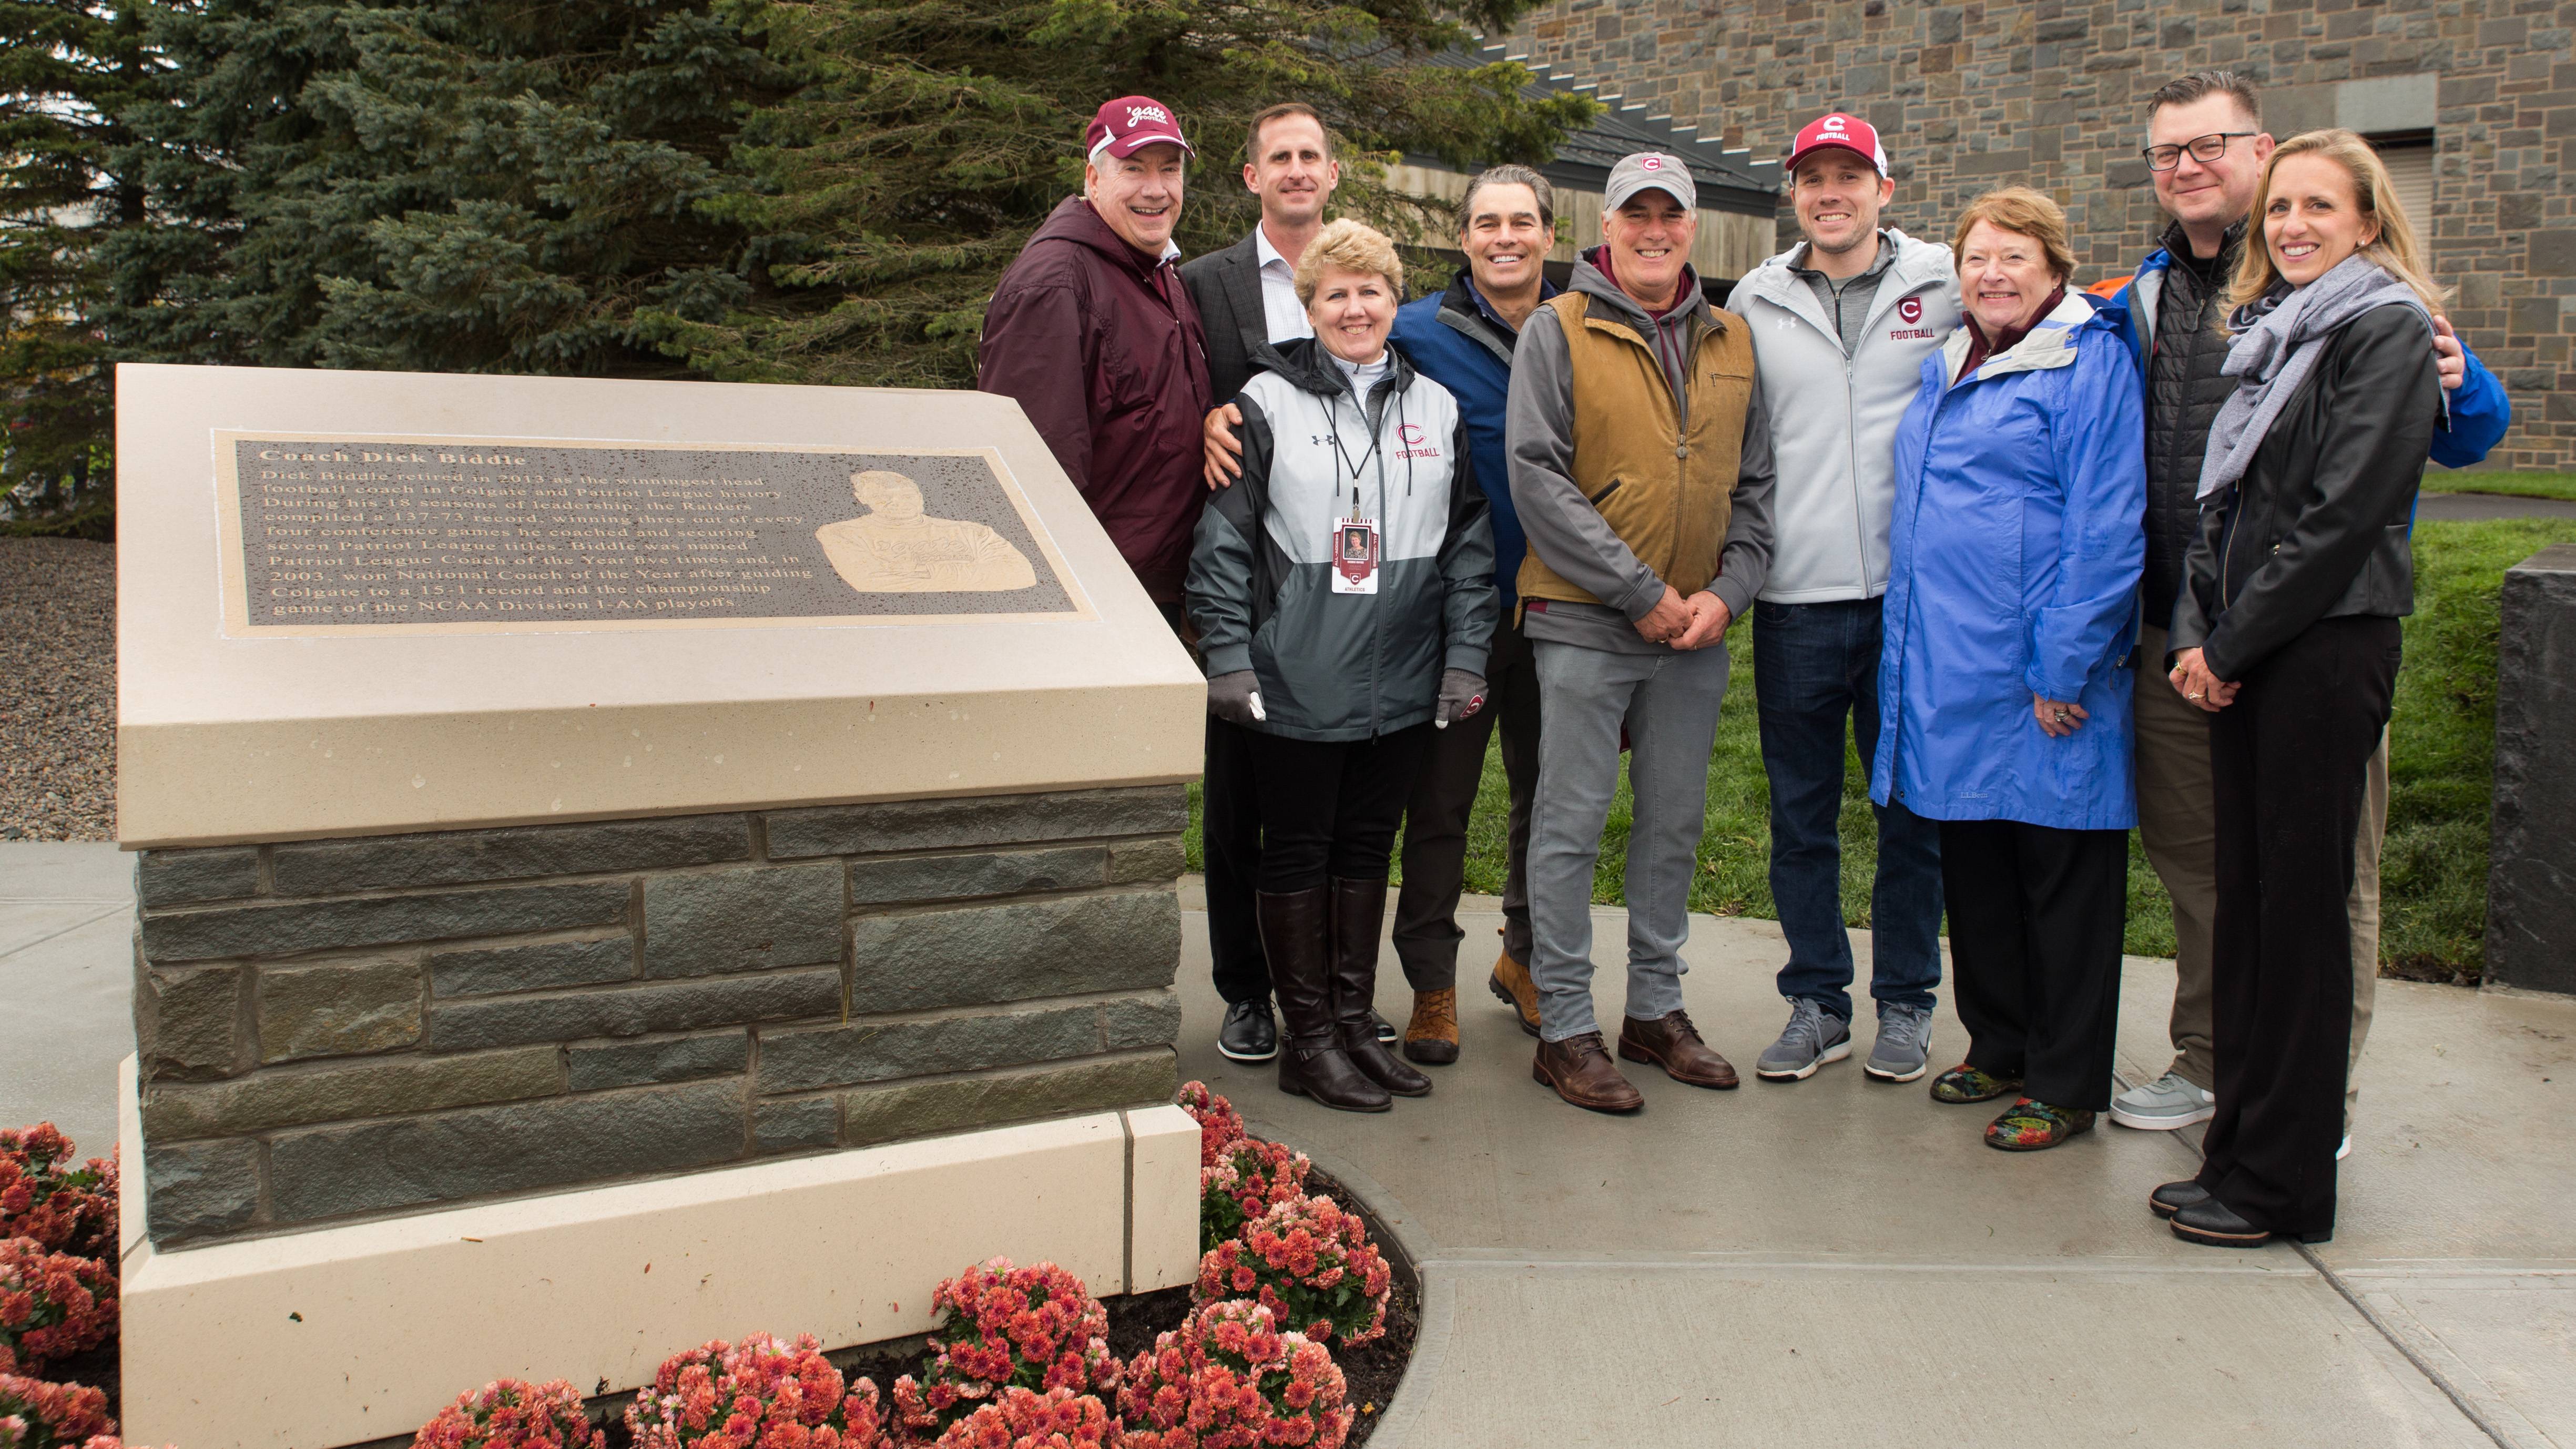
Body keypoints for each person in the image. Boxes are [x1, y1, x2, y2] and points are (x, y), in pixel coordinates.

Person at [2098, 72, 2510, 1149]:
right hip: (2175, 626)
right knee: (2202, 863)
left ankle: (2315, 1093)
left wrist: (2464, 383)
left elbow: (2460, 432)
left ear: (2265, 151)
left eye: (2209, 145)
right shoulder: (2142, 299)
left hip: (2308, 629)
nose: (2186, 167)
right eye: (2165, 152)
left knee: (2323, 872)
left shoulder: (2351, 297)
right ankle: (2215, 1057)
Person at [2154, 131, 2445, 1247]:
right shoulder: (2275, 338)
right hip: (2247, 648)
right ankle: (2237, 1152)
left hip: (2321, 651)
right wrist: (2199, 630)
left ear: (2369, 221)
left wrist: (2224, 650)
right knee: (2254, 917)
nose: (2292, 228)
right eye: (2279, 210)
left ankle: (2283, 1188)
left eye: (2319, 208)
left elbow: (2340, 519)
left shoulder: (2382, 331)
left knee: (2303, 923)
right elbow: (2216, 506)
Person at [1186, 219, 1499, 1113]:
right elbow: (1222, 547)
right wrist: (1227, 659)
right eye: (1336, 293)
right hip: (1294, 677)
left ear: (1394, 304)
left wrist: (1465, 656)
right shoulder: (1262, 404)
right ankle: (1307, 1036)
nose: (1354, 307)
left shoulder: (1434, 410)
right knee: (1293, 849)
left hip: (1401, 678)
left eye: (1371, 291)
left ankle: (1356, 1023)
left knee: (1367, 846)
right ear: (1310, 307)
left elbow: (1468, 548)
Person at [1873, 187, 2145, 1152]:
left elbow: (2106, 526)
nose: (1990, 275)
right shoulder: (1950, 361)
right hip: (1953, 669)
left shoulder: (2088, 363)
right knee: (1976, 867)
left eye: (2013, 259)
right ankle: (1999, 1043)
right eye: (1976, 258)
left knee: (2059, 877)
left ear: (2056, 269)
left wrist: (2065, 667)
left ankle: (2066, 1080)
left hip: (2044, 677)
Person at [1508, 152, 1777, 1114]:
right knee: (1569, 825)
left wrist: (1727, 593)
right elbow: (1535, 478)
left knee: (1671, 824)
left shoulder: (1731, 339)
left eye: (1669, 215)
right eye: (1636, 215)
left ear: (1691, 228)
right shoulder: (1557, 328)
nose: (1653, 230)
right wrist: (1636, 591)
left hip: (1693, 632)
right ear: (1606, 226)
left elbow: (1754, 490)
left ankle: (1654, 1011)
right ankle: (1566, 1028)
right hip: (1584, 618)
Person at [1724, 113, 1957, 1086]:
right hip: (1797, 600)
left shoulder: (1944, 282)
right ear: (1793, 193)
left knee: (1910, 814)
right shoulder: (1754, 295)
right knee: (1801, 815)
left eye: (1848, 177)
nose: (1830, 193)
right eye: (1812, 177)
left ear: (1882, 189)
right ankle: (1815, 1001)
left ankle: (1904, 1002)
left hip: (1916, 602)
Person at [1179, 103, 1352, 1068]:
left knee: (1329, 801)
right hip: (1245, 582)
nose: (1294, 171)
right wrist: (1202, 420)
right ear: (1251, 178)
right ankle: (1246, 991)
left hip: (1350, 584)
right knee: (1238, 800)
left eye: (1309, 157)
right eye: (1277, 158)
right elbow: (1170, 394)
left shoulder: (1359, 273)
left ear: (1332, 174)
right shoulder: (1202, 285)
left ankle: (1323, 986)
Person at [1381, 164, 1560, 1066]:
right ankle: (1431, 986)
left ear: (1548, 237)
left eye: (1521, 222)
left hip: (1566, 610)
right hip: (1458, 613)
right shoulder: (1415, 332)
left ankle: (1523, 960)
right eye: (1486, 222)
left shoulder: (1584, 327)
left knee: (1550, 799)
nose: (1503, 237)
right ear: (1462, 239)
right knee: (1441, 799)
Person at [979, 95, 1212, 627]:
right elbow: (1032, 473)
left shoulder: (1155, 270)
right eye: (1134, 169)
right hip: (1092, 605)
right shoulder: (1056, 284)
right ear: (1094, 177)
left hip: (1154, 594)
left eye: (1170, 170)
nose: (1156, 189)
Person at [816, 471, 1037, 594]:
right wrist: (976, 574)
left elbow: (1021, 574)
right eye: (883, 497)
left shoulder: (972, 532)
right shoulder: (841, 534)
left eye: (906, 496)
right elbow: (872, 584)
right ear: (863, 499)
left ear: (920, 496)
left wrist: (922, 570)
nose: (897, 503)